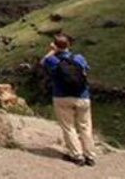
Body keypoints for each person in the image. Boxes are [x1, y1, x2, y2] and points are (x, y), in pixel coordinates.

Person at [42, 34, 96, 167]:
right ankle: (90, 155)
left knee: (69, 127)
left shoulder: (52, 60)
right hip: (82, 96)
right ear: (69, 45)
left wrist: (53, 50)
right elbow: (86, 69)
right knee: (85, 127)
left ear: (54, 45)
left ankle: (76, 155)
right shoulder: (79, 58)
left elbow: (43, 62)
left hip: (62, 97)